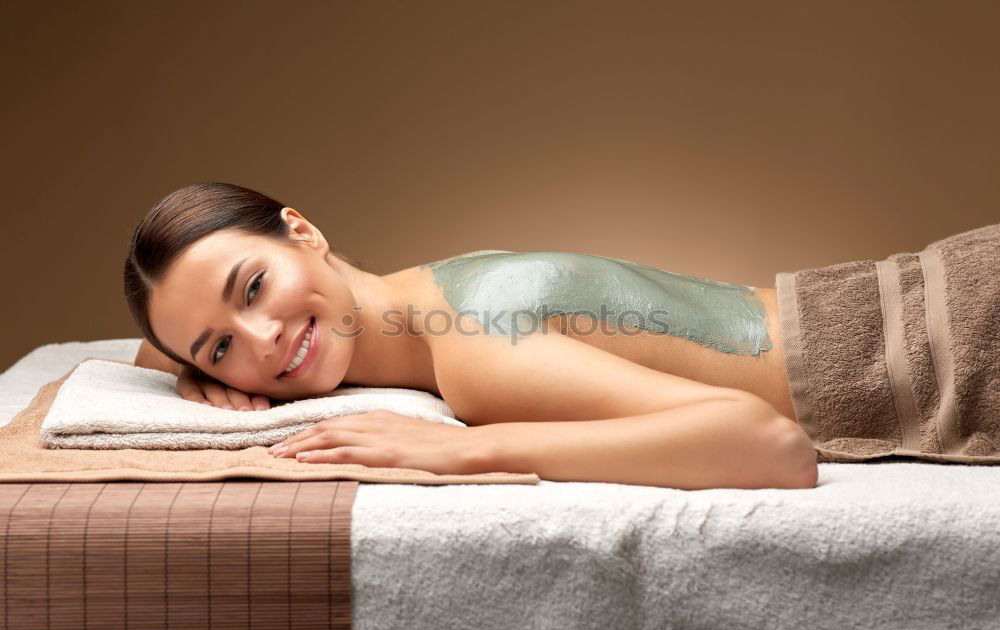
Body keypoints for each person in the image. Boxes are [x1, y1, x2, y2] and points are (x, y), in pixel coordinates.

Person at [125, 182, 818, 490]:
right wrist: (191, 366)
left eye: (252, 288)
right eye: (220, 346)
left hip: (905, 349)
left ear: (303, 231)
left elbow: (772, 446)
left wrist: (465, 448)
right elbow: (156, 342)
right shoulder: (417, 293)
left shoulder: (471, 349)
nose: (263, 339)